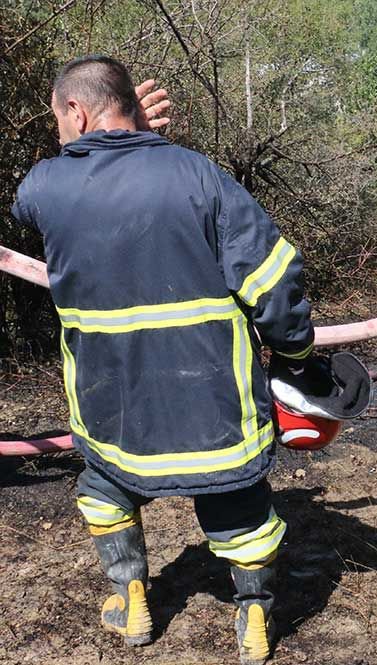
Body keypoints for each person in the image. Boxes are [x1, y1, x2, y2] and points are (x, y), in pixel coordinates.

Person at [10, 55, 315, 665]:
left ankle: (130, 600)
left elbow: (59, 194)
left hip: (109, 398)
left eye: (59, 121)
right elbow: (273, 278)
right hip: (211, 397)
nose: (58, 134)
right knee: (236, 495)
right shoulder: (198, 175)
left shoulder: (43, 187)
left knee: (105, 485)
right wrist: (296, 353)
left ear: (76, 110)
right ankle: (253, 616)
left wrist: (121, 144)